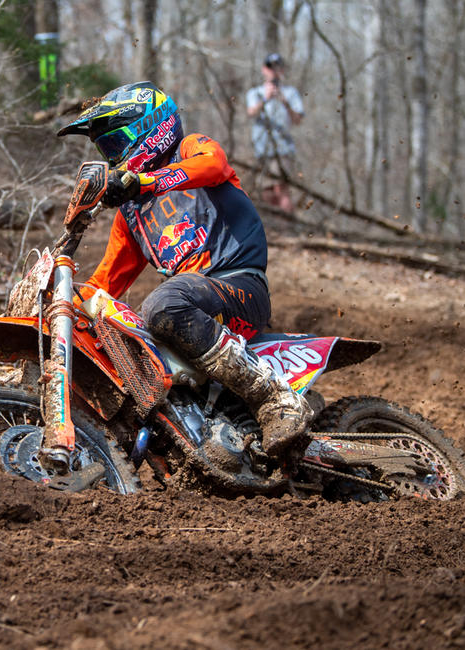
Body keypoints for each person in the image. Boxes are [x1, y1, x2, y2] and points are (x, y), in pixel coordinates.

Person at [56, 81, 312, 459]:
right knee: (117, 332)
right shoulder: (131, 214)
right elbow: (104, 283)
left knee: (162, 305)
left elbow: (214, 165)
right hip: (194, 305)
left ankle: (275, 399)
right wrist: (60, 302)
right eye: (105, 149)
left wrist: (146, 181)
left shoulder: (191, 149)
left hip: (238, 285)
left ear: (151, 128)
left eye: (116, 143)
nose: (113, 156)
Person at [246, 53, 304, 212]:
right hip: (261, 148)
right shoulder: (255, 93)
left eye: (277, 68)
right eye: (270, 68)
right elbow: (251, 113)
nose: (274, 71)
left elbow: (298, 119)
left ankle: (289, 222)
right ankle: (274, 224)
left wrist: (285, 102)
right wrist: (265, 98)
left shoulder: (291, 93)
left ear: (282, 70)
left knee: (281, 188)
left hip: (283, 148)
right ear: (264, 69)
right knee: (266, 192)